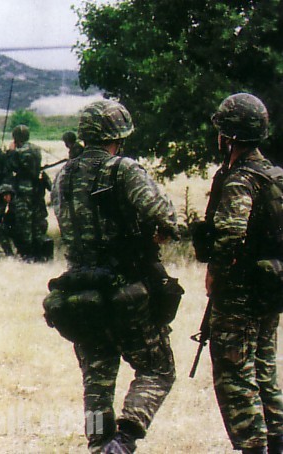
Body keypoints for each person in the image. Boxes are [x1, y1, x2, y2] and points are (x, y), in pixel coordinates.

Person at [47, 100, 180, 453]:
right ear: (117, 137)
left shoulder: (63, 177)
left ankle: (98, 443)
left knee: (96, 384)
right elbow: (167, 217)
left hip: (80, 294)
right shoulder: (123, 170)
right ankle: (123, 440)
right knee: (158, 370)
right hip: (126, 292)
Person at [200, 93, 283, 454]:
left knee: (236, 377)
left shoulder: (240, 180)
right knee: (264, 371)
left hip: (240, 294)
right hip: (269, 288)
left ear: (228, 137)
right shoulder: (275, 174)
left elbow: (231, 234)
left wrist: (215, 275)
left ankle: (254, 447)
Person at [7, 124, 48, 261]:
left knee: (24, 222)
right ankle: (40, 252)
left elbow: (13, 167)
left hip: (23, 190)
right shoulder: (36, 149)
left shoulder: (19, 152)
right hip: (37, 189)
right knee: (36, 221)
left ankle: (27, 254)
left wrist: (10, 152)